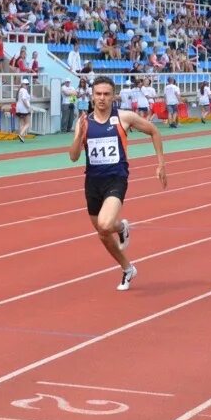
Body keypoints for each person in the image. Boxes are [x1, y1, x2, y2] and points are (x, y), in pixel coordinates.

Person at [68, 75, 167, 291]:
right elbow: (73, 157)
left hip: (116, 178)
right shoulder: (84, 122)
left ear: (113, 97)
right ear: (92, 97)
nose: (102, 98)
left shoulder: (124, 117)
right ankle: (127, 268)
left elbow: (154, 131)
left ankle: (120, 226)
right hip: (92, 182)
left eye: (106, 94)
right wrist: (78, 137)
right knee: (103, 233)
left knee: (105, 224)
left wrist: (161, 164)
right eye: (98, 94)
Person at [15, 76, 33, 141]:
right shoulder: (24, 90)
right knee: (28, 123)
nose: (27, 85)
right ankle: (21, 134)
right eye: (26, 84)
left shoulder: (19, 90)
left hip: (18, 109)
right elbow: (24, 99)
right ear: (22, 84)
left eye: (27, 84)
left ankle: (22, 137)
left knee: (21, 123)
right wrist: (28, 107)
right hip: (24, 109)